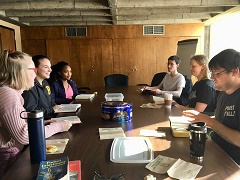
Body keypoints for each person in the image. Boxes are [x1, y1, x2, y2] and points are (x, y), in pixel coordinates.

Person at [0, 50, 79, 177]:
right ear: (21, 72)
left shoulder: (12, 93)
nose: (35, 74)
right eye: (33, 69)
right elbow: (24, 136)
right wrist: (59, 126)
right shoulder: (7, 94)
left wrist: (39, 123)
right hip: (7, 159)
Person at [183, 49, 240, 165]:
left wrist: (209, 121)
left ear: (234, 72)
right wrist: (201, 119)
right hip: (215, 148)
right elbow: (222, 122)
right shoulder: (224, 93)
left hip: (231, 162)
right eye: (211, 73)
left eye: (217, 73)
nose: (212, 78)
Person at [22, 55, 62, 119]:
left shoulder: (45, 83)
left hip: (52, 117)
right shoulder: (30, 86)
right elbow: (31, 111)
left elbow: (52, 101)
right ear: (35, 68)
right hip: (40, 122)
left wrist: (57, 108)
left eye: (50, 67)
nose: (50, 70)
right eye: (46, 67)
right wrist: (52, 110)